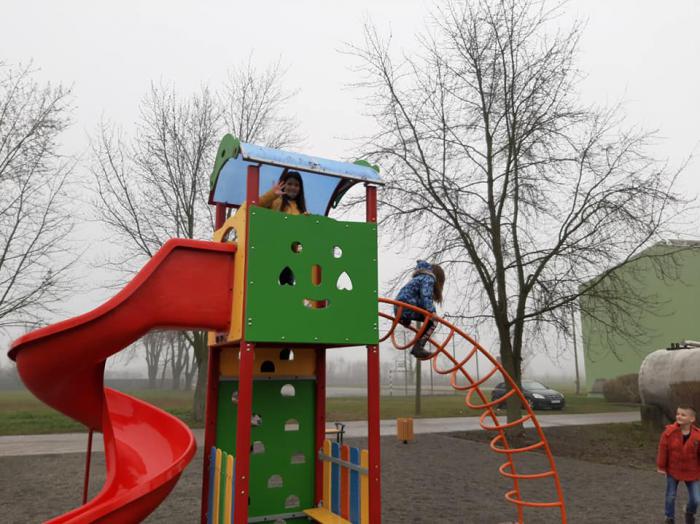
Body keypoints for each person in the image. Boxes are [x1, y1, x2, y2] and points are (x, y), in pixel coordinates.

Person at [657, 405, 700, 524]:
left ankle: (689, 512)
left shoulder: (698, 435)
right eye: (678, 414)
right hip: (673, 469)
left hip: (692, 471)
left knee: (696, 499)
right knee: (670, 496)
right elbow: (663, 450)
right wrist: (661, 466)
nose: (679, 416)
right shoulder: (668, 433)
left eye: (683, 415)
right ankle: (669, 518)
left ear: (692, 419)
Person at [395, 260, 445, 359]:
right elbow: (425, 295)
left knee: (427, 316)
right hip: (406, 307)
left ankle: (405, 320)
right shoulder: (429, 278)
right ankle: (418, 347)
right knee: (433, 320)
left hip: (399, 308)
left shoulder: (419, 278)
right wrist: (432, 311)